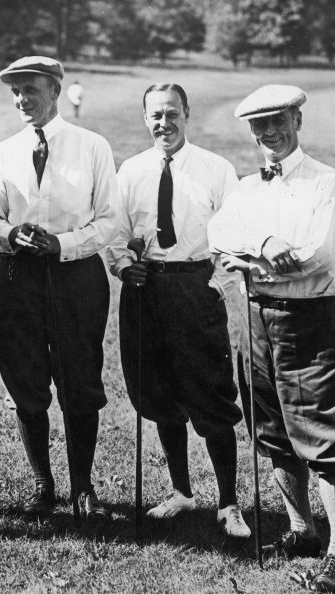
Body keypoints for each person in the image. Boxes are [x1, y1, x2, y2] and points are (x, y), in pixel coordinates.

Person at [208, 84, 335, 593]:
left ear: (298, 119)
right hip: (255, 320)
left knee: (324, 433)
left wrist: (248, 265)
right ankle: (301, 532)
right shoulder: (248, 189)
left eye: (278, 120)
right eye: (259, 125)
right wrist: (264, 245)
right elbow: (218, 234)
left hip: (310, 320)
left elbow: (317, 256)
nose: (269, 132)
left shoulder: (325, 183)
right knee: (271, 430)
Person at [106, 83, 251, 539]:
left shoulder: (215, 168)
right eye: (155, 115)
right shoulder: (130, 171)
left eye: (171, 113)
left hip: (195, 286)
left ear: (187, 113)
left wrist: (218, 288)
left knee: (210, 393)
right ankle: (181, 491)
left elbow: (234, 234)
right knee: (159, 391)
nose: (163, 123)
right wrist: (125, 266)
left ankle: (228, 503)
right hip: (146, 290)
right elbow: (114, 230)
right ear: (144, 118)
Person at [0, 56, 119, 520]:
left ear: (56, 91)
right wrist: (9, 233)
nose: (22, 99)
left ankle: (83, 487)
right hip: (17, 279)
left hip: (76, 278)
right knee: (26, 382)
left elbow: (108, 222)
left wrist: (61, 244)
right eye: (15, 91)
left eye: (31, 89)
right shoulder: (3, 152)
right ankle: (43, 484)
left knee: (79, 381)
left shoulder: (91, 146)